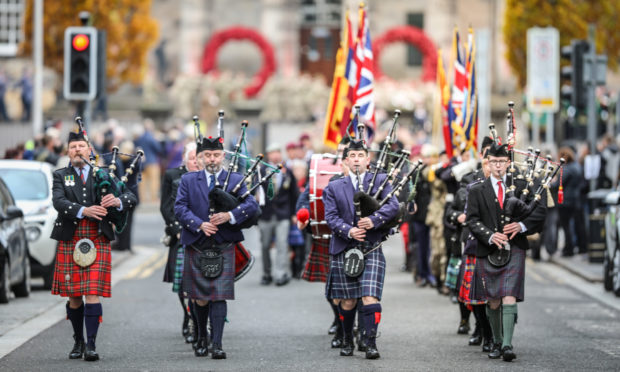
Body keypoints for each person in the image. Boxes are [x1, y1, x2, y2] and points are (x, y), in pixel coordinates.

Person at [50, 129, 137, 362]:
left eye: (81, 146)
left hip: (97, 237)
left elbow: (131, 197)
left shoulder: (103, 174)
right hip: (72, 237)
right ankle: (78, 340)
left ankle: (91, 344)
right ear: (68, 152)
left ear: (90, 150)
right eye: (73, 147)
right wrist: (83, 210)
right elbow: (58, 201)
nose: (77, 150)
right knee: (74, 296)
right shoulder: (61, 175)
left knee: (92, 293)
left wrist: (117, 201)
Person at [175, 135, 259, 359]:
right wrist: (199, 224)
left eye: (216, 155)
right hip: (198, 243)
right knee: (200, 297)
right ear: (200, 158)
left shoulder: (235, 179)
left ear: (223, 156)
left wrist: (229, 215)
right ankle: (202, 336)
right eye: (207, 155)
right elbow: (180, 208)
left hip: (224, 243)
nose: (212, 159)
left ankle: (217, 343)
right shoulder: (189, 180)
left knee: (219, 296)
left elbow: (251, 205)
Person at [466, 142, 547, 362]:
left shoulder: (521, 185)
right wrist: (490, 236)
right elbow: (472, 220)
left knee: (509, 295)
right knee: (493, 299)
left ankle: (508, 345)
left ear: (508, 163)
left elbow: (540, 210)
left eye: (502, 162)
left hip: (515, 247)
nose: (498, 166)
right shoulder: (476, 189)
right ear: (488, 163)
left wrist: (521, 226)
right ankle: (497, 341)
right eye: (494, 162)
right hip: (488, 249)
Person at [322, 138, 399, 359]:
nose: (356, 160)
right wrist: (349, 230)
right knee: (347, 300)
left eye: (360, 156)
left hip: (372, 246)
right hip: (345, 247)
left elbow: (393, 206)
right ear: (346, 161)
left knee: (370, 297)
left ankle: (370, 342)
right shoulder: (334, 187)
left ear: (368, 159)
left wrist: (374, 220)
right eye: (352, 156)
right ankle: (347, 338)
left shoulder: (381, 181)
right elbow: (330, 217)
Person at [161, 142, 199, 341]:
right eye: (191, 158)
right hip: (179, 235)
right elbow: (165, 207)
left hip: (200, 235)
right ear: (185, 158)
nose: (195, 162)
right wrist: (176, 230)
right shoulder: (172, 175)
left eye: (197, 158)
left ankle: (197, 319)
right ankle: (188, 315)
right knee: (182, 284)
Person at [258, 143, 299, 286]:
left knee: (282, 244)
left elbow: (294, 193)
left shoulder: (287, 171)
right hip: (265, 214)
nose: (275, 155)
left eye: (277, 152)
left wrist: (294, 213)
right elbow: (255, 192)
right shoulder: (261, 171)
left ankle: (280, 274)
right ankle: (266, 273)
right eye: (272, 153)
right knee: (265, 245)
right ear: (268, 155)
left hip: (283, 214)